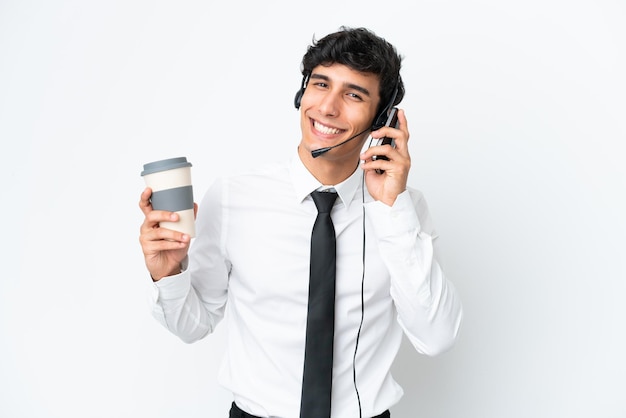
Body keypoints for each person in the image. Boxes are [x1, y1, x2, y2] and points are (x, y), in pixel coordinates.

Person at [138, 26, 463, 418]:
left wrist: (392, 210)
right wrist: (168, 274)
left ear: (382, 117)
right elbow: (194, 325)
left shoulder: (401, 212)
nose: (327, 107)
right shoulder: (232, 198)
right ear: (301, 93)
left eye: (353, 94)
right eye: (320, 84)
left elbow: (436, 336)